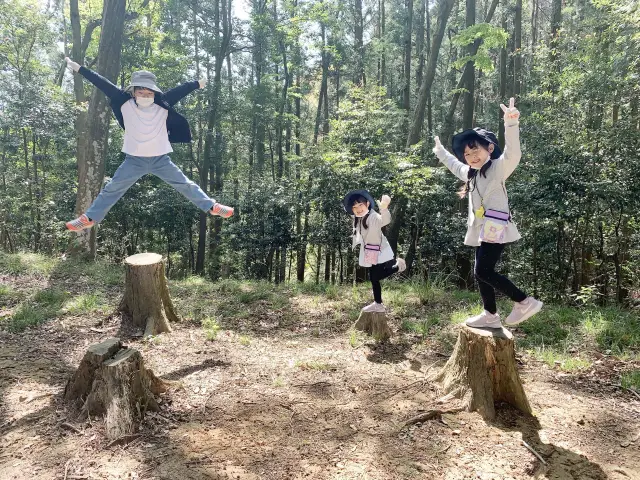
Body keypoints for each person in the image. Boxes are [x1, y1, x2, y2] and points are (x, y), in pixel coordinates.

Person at [63, 57, 233, 231]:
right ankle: (89, 218)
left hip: (161, 160)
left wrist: (197, 84)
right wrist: (79, 68)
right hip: (134, 161)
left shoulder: (163, 103)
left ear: (155, 93)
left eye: (149, 93)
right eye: (141, 92)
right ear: (133, 92)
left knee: (185, 184)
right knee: (112, 189)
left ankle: (212, 207)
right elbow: (101, 82)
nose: (145, 96)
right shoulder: (123, 102)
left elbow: (181, 89)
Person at [432, 98, 543, 328]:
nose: (472, 157)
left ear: (489, 149)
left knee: (482, 270)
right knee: (480, 271)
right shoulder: (470, 173)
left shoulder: (499, 167)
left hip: (496, 227)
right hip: (481, 230)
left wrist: (511, 124)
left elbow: (513, 153)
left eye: (475, 150)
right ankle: (490, 315)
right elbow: (454, 165)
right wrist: (441, 152)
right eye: (467, 154)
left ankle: (524, 301)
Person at [343, 190, 406, 313]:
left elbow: (385, 220)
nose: (358, 209)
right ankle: (378, 303)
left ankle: (398, 267)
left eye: (360, 205)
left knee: (376, 276)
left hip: (380, 251)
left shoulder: (373, 216)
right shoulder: (358, 218)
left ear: (367, 204)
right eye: (355, 207)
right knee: (373, 278)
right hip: (370, 251)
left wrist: (384, 208)